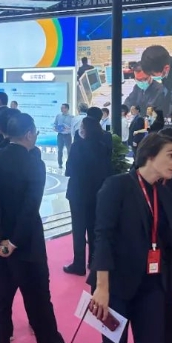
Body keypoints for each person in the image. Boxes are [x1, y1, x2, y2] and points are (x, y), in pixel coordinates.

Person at [89, 133, 172, 343]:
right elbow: (103, 237)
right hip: (115, 285)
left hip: (153, 286)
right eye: (170, 155)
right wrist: (102, 288)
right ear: (150, 155)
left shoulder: (164, 194)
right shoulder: (117, 185)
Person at [0, 113, 66, 343]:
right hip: (26, 245)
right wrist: (14, 242)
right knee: (39, 303)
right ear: (29, 134)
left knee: (0, 301)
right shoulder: (34, 163)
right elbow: (30, 208)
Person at [64, 117, 113, 276]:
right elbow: (108, 171)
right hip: (97, 193)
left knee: (78, 229)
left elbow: (69, 170)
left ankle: (78, 264)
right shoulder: (103, 147)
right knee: (93, 228)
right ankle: (93, 262)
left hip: (78, 192)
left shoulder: (77, 146)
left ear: (85, 130)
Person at [53, 103, 73, 170]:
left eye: (63, 107)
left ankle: (69, 164)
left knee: (69, 150)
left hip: (67, 135)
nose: (61, 109)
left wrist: (68, 129)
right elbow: (55, 124)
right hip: (60, 135)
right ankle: (60, 164)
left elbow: (72, 127)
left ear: (67, 108)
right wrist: (55, 128)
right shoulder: (58, 116)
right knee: (59, 150)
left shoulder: (72, 117)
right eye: (61, 108)